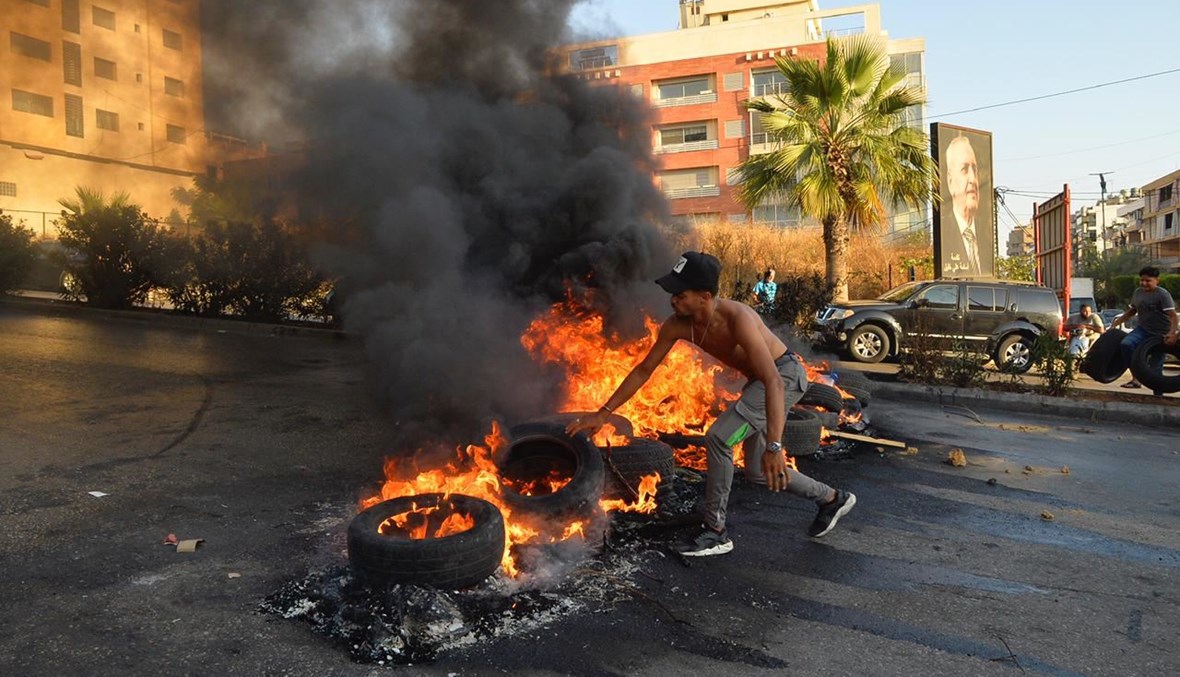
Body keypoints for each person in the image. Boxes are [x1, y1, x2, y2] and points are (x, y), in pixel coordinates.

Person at [567, 252, 855, 556]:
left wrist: (774, 446)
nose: (672, 300)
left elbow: (773, 380)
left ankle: (716, 532)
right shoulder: (677, 325)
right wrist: (603, 413)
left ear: (704, 296)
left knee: (719, 438)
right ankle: (832, 499)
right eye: (672, 293)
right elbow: (643, 370)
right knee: (758, 472)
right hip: (760, 382)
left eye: (680, 295)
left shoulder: (738, 318)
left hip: (783, 375)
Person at [1112, 266, 1178, 394]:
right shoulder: (1138, 292)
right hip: (1143, 329)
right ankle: (1136, 378)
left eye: (1148, 281)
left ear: (1157, 280)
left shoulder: (1162, 295)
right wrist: (1117, 322)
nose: (1144, 283)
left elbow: (1173, 316)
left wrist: (1171, 333)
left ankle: (1158, 395)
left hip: (1160, 334)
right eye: (1142, 280)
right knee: (1126, 344)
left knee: (1155, 367)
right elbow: (1133, 310)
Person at [941, 135, 985, 277]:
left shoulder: (986, 236)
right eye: (965, 170)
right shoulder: (944, 234)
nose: (973, 179)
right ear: (950, 181)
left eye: (974, 169)